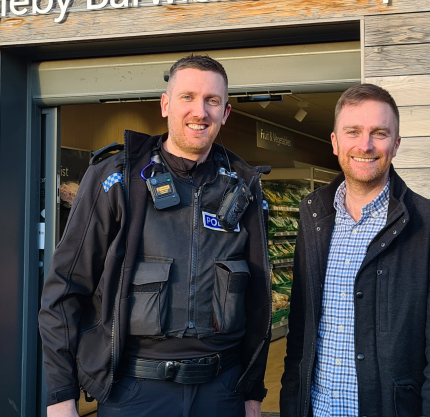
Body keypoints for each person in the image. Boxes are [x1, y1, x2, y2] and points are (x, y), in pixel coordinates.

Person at [39, 55, 271, 417]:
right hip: (135, 393)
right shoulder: (116, 179)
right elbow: (65, 288)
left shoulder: (243, 187)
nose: (200, 111)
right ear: (165, 105)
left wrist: (252, 391)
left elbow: (259, 300)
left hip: (222, 391)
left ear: (225, 113)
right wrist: (60, 394)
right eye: (188, 97)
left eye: (213, 101)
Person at [280, 83, 430, 417]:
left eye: (379, 133)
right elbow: (300, 332)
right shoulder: (313, 214)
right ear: (335, 142)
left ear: (396, 145)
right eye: (352, 131)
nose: (365, 145)